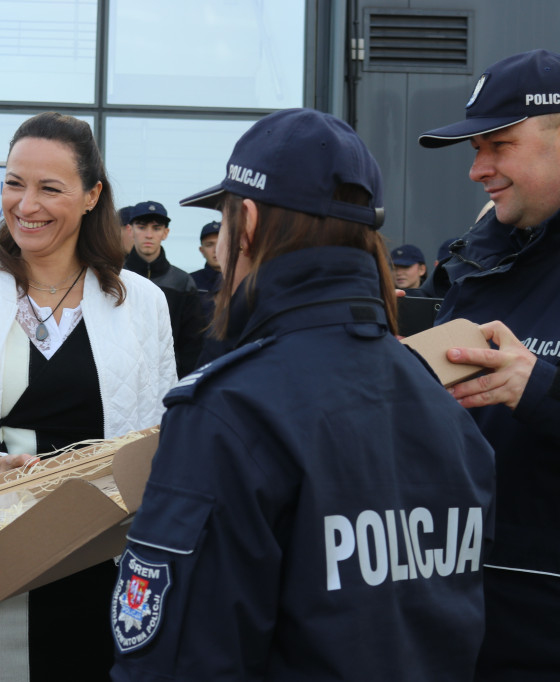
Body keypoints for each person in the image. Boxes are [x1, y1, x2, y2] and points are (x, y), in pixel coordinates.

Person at [111, 108, 496, 681]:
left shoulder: (228, 412)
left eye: (224, 219)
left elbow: (179, 663)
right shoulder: (440, 402)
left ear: (249, 223)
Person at [0, 111, 176, 681]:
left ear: (90, 196)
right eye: (14, 183)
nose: (26, 205)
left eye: (50, 188)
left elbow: (161, 439)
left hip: (106, 563)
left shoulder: (143, 303)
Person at [417, 49, 560, 679]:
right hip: (451, 628)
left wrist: (541, 388)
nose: (477, 170)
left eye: (497, 146)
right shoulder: (475, 267)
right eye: (474, 149)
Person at [123, 200, 203, 377]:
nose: (149, 235)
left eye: (156, 228)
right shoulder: (113, 279)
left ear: (165, 233)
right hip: (121, 378)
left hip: (169, 380)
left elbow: (192, 343)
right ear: (130, 230)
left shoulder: (182, 282)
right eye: (142, 227)